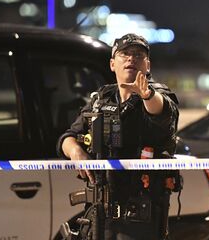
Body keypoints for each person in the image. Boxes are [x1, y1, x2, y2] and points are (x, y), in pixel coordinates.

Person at [57, 33, 180, 240]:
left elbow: (163, 113)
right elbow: (68, 137)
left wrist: (147, 95)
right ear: (113, 64)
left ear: (147, 65)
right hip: (100, 214)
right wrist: (75, 151)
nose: (131, 59)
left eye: (138, 55)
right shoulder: (101, 99)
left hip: (141, 218)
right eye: (125, 54)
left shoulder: (157, 96)